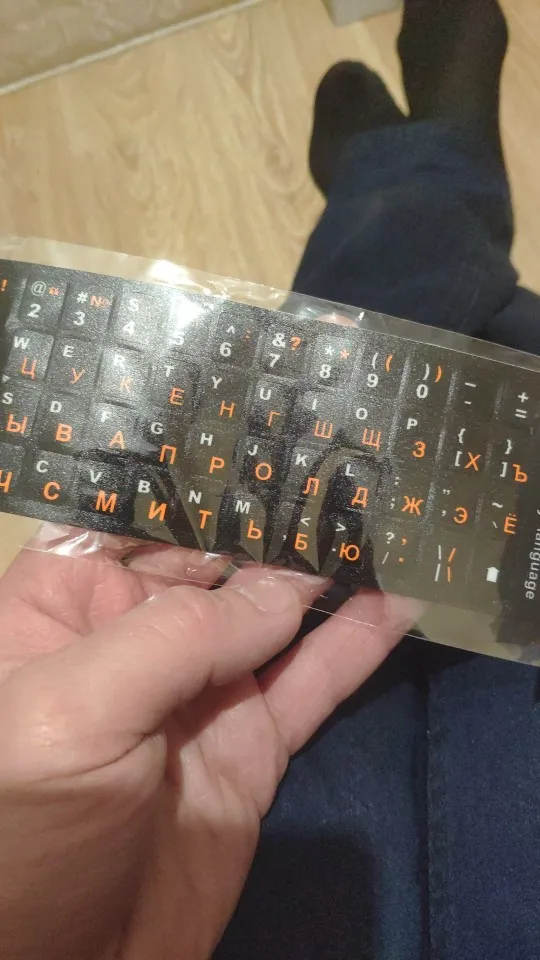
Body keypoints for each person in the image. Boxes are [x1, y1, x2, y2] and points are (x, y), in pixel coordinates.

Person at [0, 2, 539, 959]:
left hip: (275, 872)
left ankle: (409, 177)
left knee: (376, 389)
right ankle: (405, 176)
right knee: (461, 391)